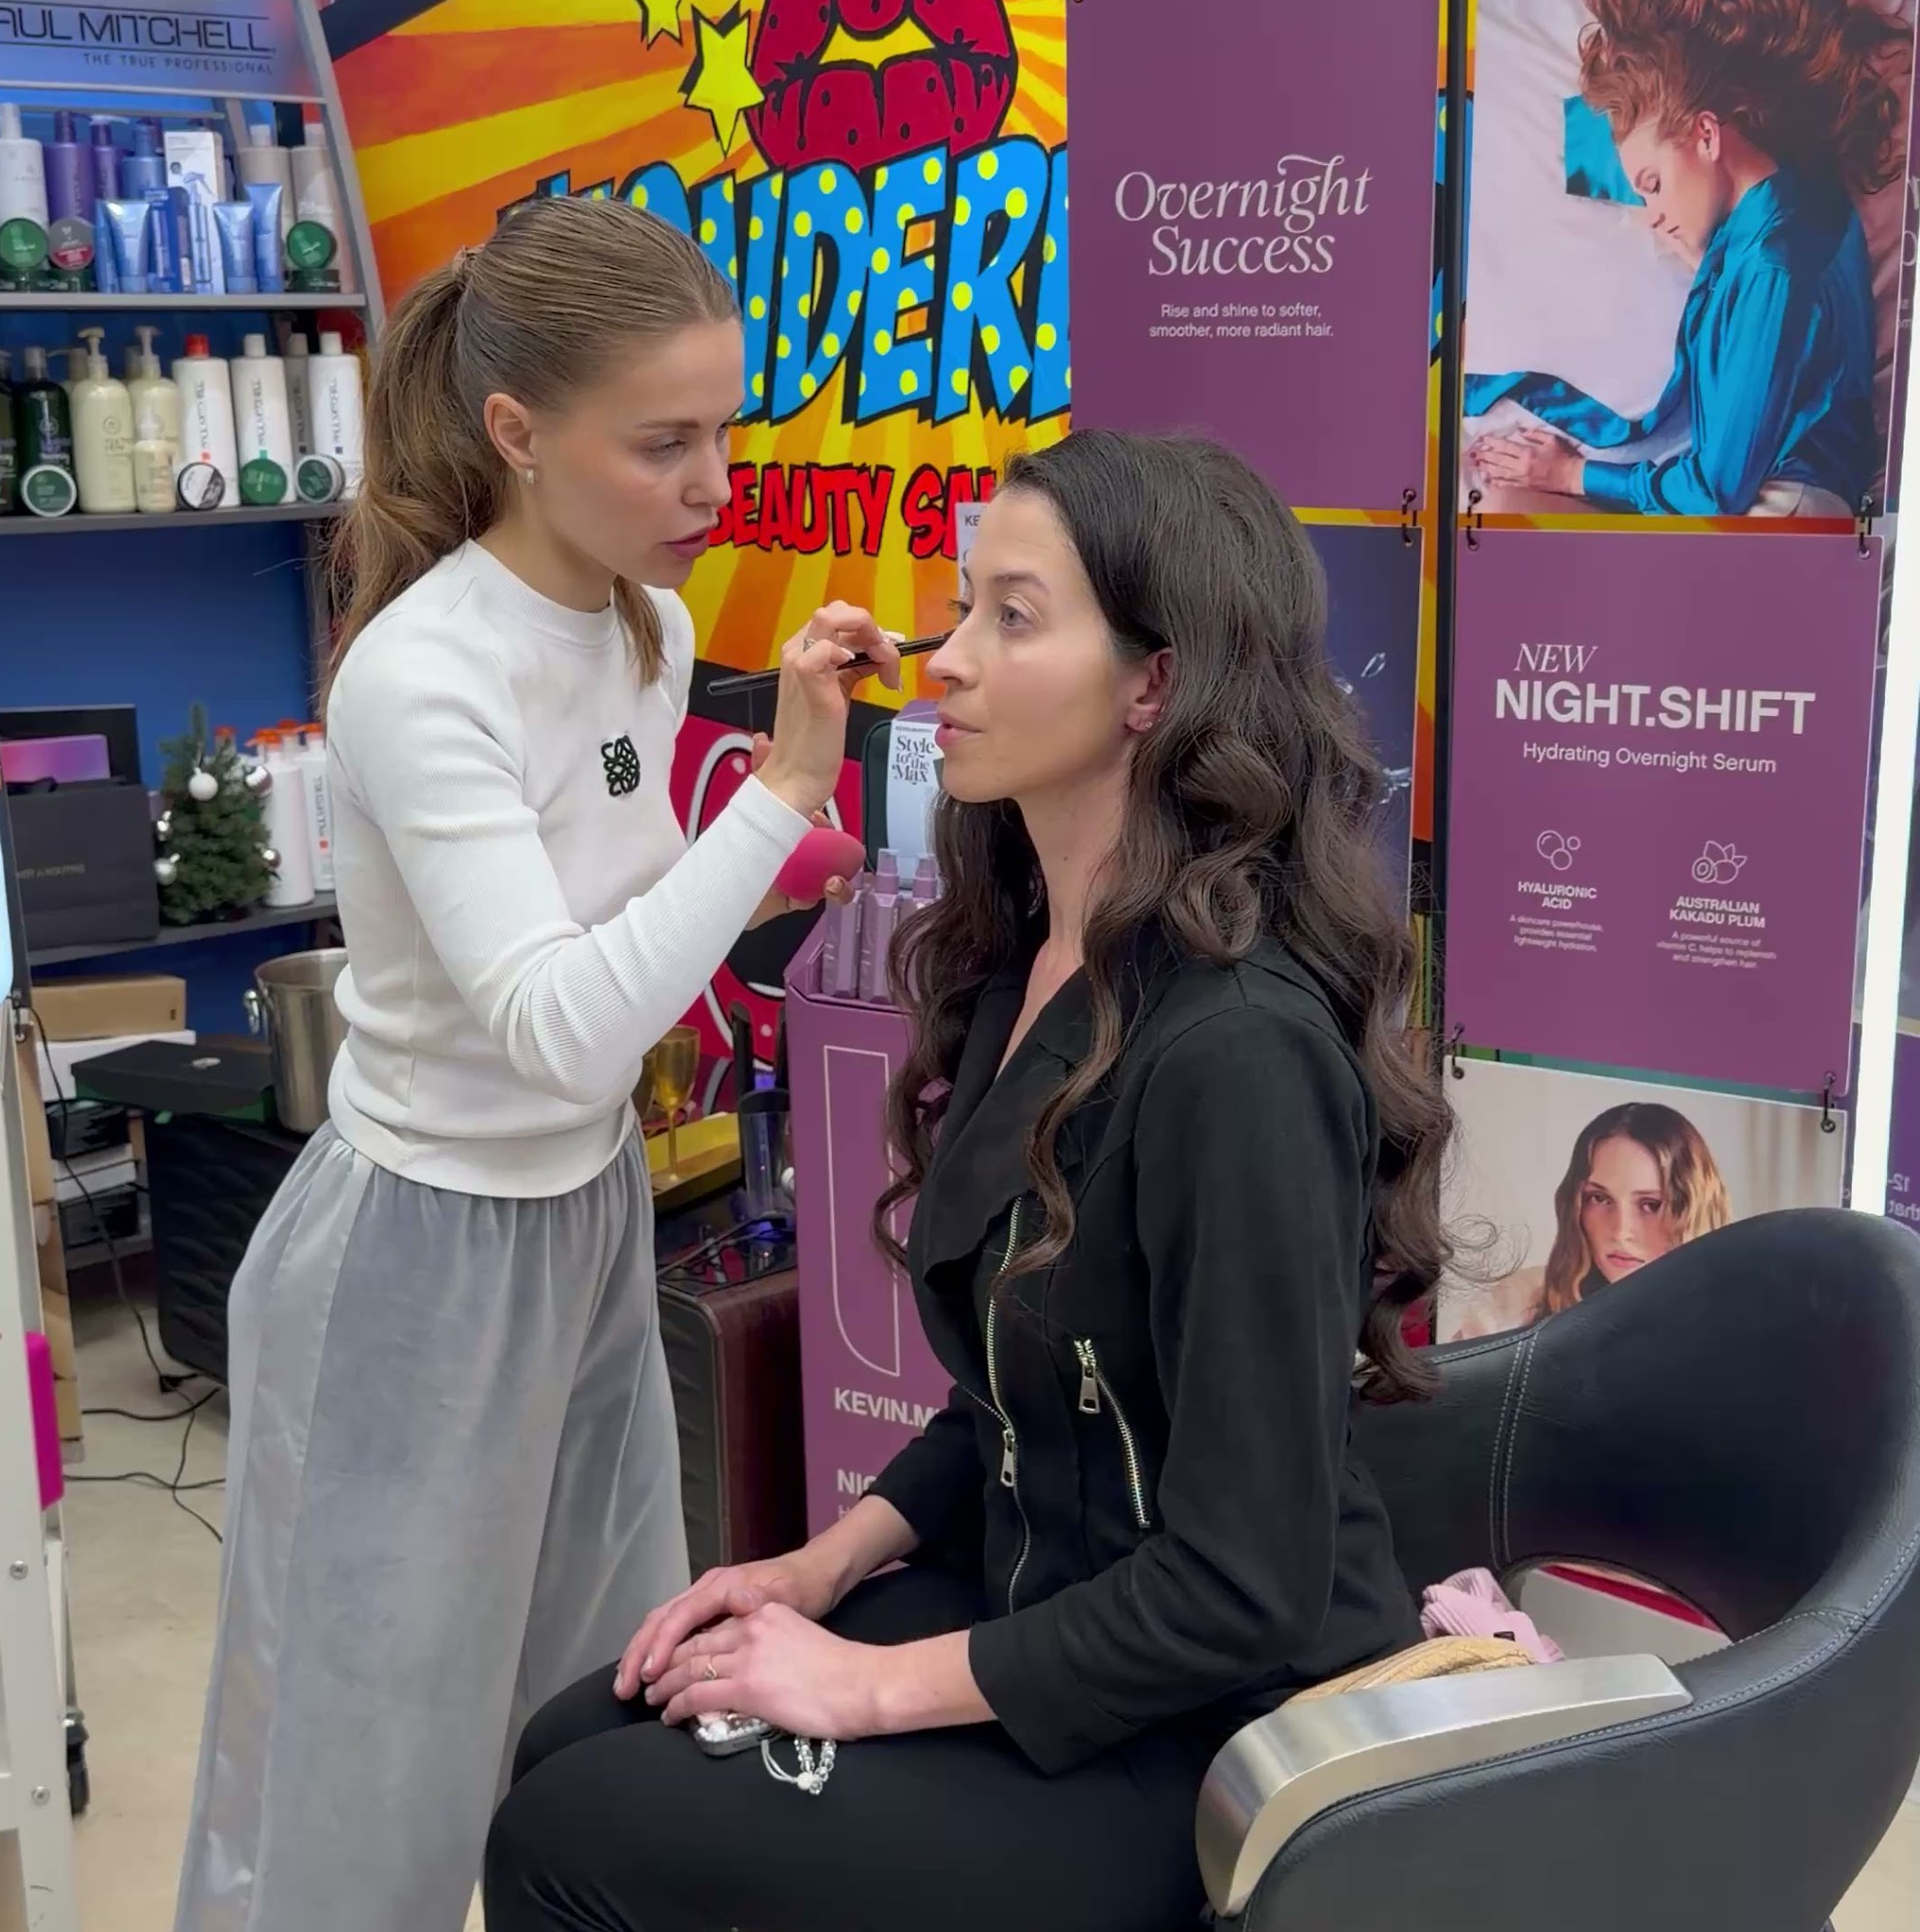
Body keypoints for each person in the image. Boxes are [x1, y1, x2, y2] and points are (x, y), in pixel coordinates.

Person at [482, 430, 1454, 1932]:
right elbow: (1016, 1392)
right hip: (1038, 1593)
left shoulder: (1238, 1055)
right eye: (960, 607)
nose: (944, 660)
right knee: (573, 1737)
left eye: (1013, 616)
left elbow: (1240, 1587)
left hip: (1209, 1731)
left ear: (1153, 683)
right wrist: (816, 1570)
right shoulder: (1036, 964)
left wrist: (867, 1687)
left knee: (568, 1838)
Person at [173, 196, 899, 1932]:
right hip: (412, 1253)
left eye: (723, 431)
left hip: (581, 1212)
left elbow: (609, 931)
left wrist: (762, 859)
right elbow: (558, 1019)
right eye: (662, 444)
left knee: (599, 1700)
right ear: (515, 430)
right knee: (359, 1780)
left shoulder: (646, 627)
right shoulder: (421, 674)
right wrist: (781, 797)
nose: (712, 483)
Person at [1468, 0, 1908, 518]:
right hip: (1762, 503)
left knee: (1505, 515)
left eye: (1653, 186)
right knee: (1504, 508)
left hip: (1782, 510)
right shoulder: (1791, 198)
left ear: (1707, 135)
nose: (1653, 214)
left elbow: (1715, 490)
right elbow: (1645, 141)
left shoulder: (1773, 266)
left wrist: (1570, 474)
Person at [1446, 1101, 1731, 1340]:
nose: (1620, 1232)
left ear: (1692, 1211)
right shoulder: (1514, 1307)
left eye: (1650, 1205)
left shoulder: (1734, 1324)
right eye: (1600, 1198)